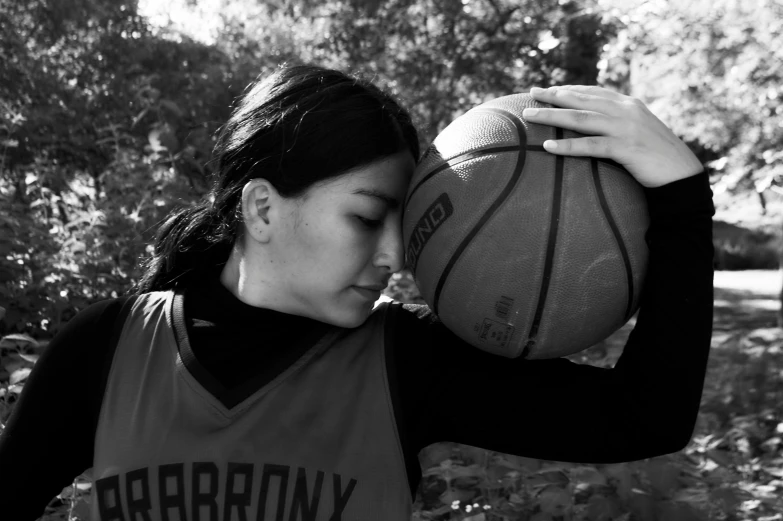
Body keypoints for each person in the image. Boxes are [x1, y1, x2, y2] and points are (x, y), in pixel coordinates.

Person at [0, 64, 714, 520]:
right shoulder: (106, 349)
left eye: (403, 224)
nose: (395, 252)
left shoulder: (406, 361)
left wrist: (680, 199)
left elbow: (643, 417)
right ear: (261, 208)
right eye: (368, 215)